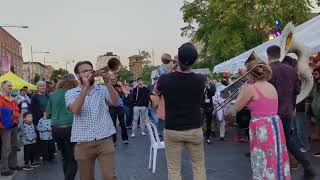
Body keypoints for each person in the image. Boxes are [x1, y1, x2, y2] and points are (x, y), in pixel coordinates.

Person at [156, 43, 206, 180]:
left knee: (173, 170)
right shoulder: (201, 80)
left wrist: (170, 69)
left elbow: (155, 90)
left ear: (178, 59)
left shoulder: (165, 79)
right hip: (194, 129)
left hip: (172, 130)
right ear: (194, 61)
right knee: (199, 167)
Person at [234, 57, 291, 179]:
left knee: (261, 160)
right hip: (274, 126)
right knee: (274, 158)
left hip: (261, 128)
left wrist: (242, 91)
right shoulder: (271, 87)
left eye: (247, 74)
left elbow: (237, 107)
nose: (245, 78)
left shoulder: (250, 88)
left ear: (251, 73)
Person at [65, 61, 119, 180]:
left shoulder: (102, 89)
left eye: (90, 70)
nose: (89, 73)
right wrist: (85, 88)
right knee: (86, 178)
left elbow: (115, 102)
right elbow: (75, 110)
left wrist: (108, 83)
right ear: (78, 76)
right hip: (83, 142)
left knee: (110, 177)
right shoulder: (70, 93)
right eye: (84, 71)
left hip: (105, 139)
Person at [267, 45, 315, 178]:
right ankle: (307, 167)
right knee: (288, 141)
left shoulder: (269, 71)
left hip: (273, 113)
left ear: (268, 56)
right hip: (288, 111)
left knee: (275, 142)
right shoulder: (291, 70)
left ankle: (277, 170)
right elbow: (298, 91)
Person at [47, 73, 78, 180]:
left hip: (56, 129)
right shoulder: (74, 93)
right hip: (70, 128)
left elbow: (48, 113)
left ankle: (67, 176)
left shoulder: (53, 94)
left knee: (65, 157)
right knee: (73, 158)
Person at [0, 80, 21, 176]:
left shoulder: (12, 98)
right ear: (2, 86)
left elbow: (17, 111)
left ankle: (12, 164)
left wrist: (12, 115)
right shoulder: (1, 98)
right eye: (8, 85)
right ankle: (4, 168)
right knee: (6, 147)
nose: (10, 87)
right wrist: (12, 114)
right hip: (5, 126)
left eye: (11, 85)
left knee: (14, 146)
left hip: (14, 124)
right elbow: (3, 114)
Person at [29, 81, 49, 163]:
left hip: (48, 119)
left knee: (48, 136)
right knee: (39, 136)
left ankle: (47, 154)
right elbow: (32, 110)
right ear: (37, 87)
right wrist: (34, 122)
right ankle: (38, 154)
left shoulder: (48, 96)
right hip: (38, 119)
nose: (42, 87)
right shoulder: (34, 97)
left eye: (44, 85)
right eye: (40, 86)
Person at [109, 74, 129, 144]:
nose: (112, 80)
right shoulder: (108, 86)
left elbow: (126, 93)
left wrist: (122, 85)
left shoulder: (119, 86)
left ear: (116, 78)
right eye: (111, 79)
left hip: (120, 106)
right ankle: (113, 140)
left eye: (113, 79)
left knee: (123, 123)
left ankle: (125, 138)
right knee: (113, 124)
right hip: (111, 106)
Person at [202, 75, 216, 143]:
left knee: (209, 122)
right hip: (202, 106)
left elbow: (213, 93)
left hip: (209, 106)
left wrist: (208, 87)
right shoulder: (201, 86)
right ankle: (201, 134)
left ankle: (208, 137)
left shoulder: (212, 85)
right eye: (205, 80)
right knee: (200, 122)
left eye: (207, 79)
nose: (206, 81)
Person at [311, 66, 320, 157]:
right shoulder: (315, 85)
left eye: (316, 74)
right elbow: (313, 98)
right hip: (317, 113)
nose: (314, 75)